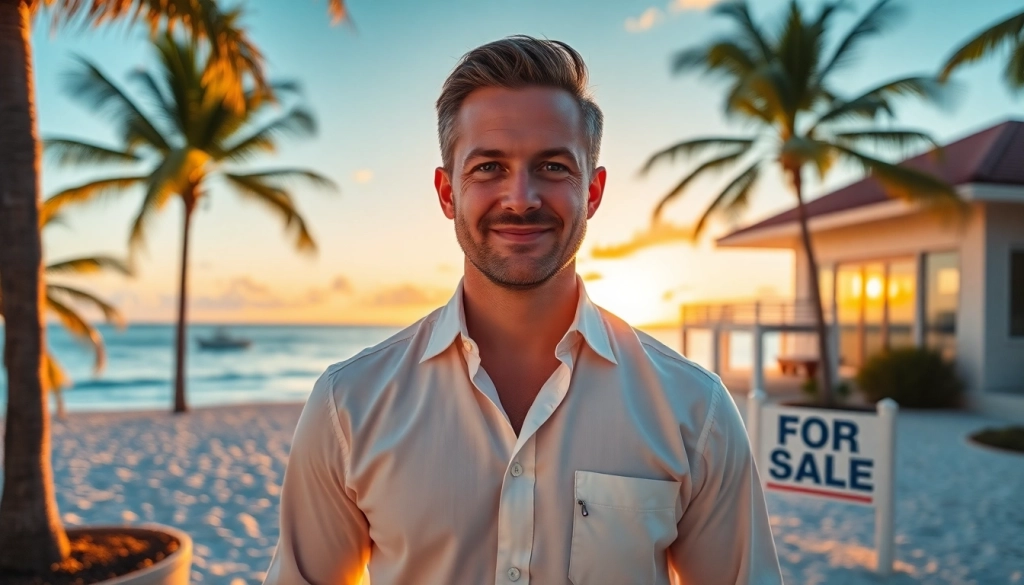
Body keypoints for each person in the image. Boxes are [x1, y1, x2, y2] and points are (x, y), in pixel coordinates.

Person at [263, 36, 782, 585]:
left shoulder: (694, 411)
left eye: (554, 166)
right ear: (446, 193)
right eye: (488, 167)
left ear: (594, 192)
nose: (521, 198)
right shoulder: (349, 406)